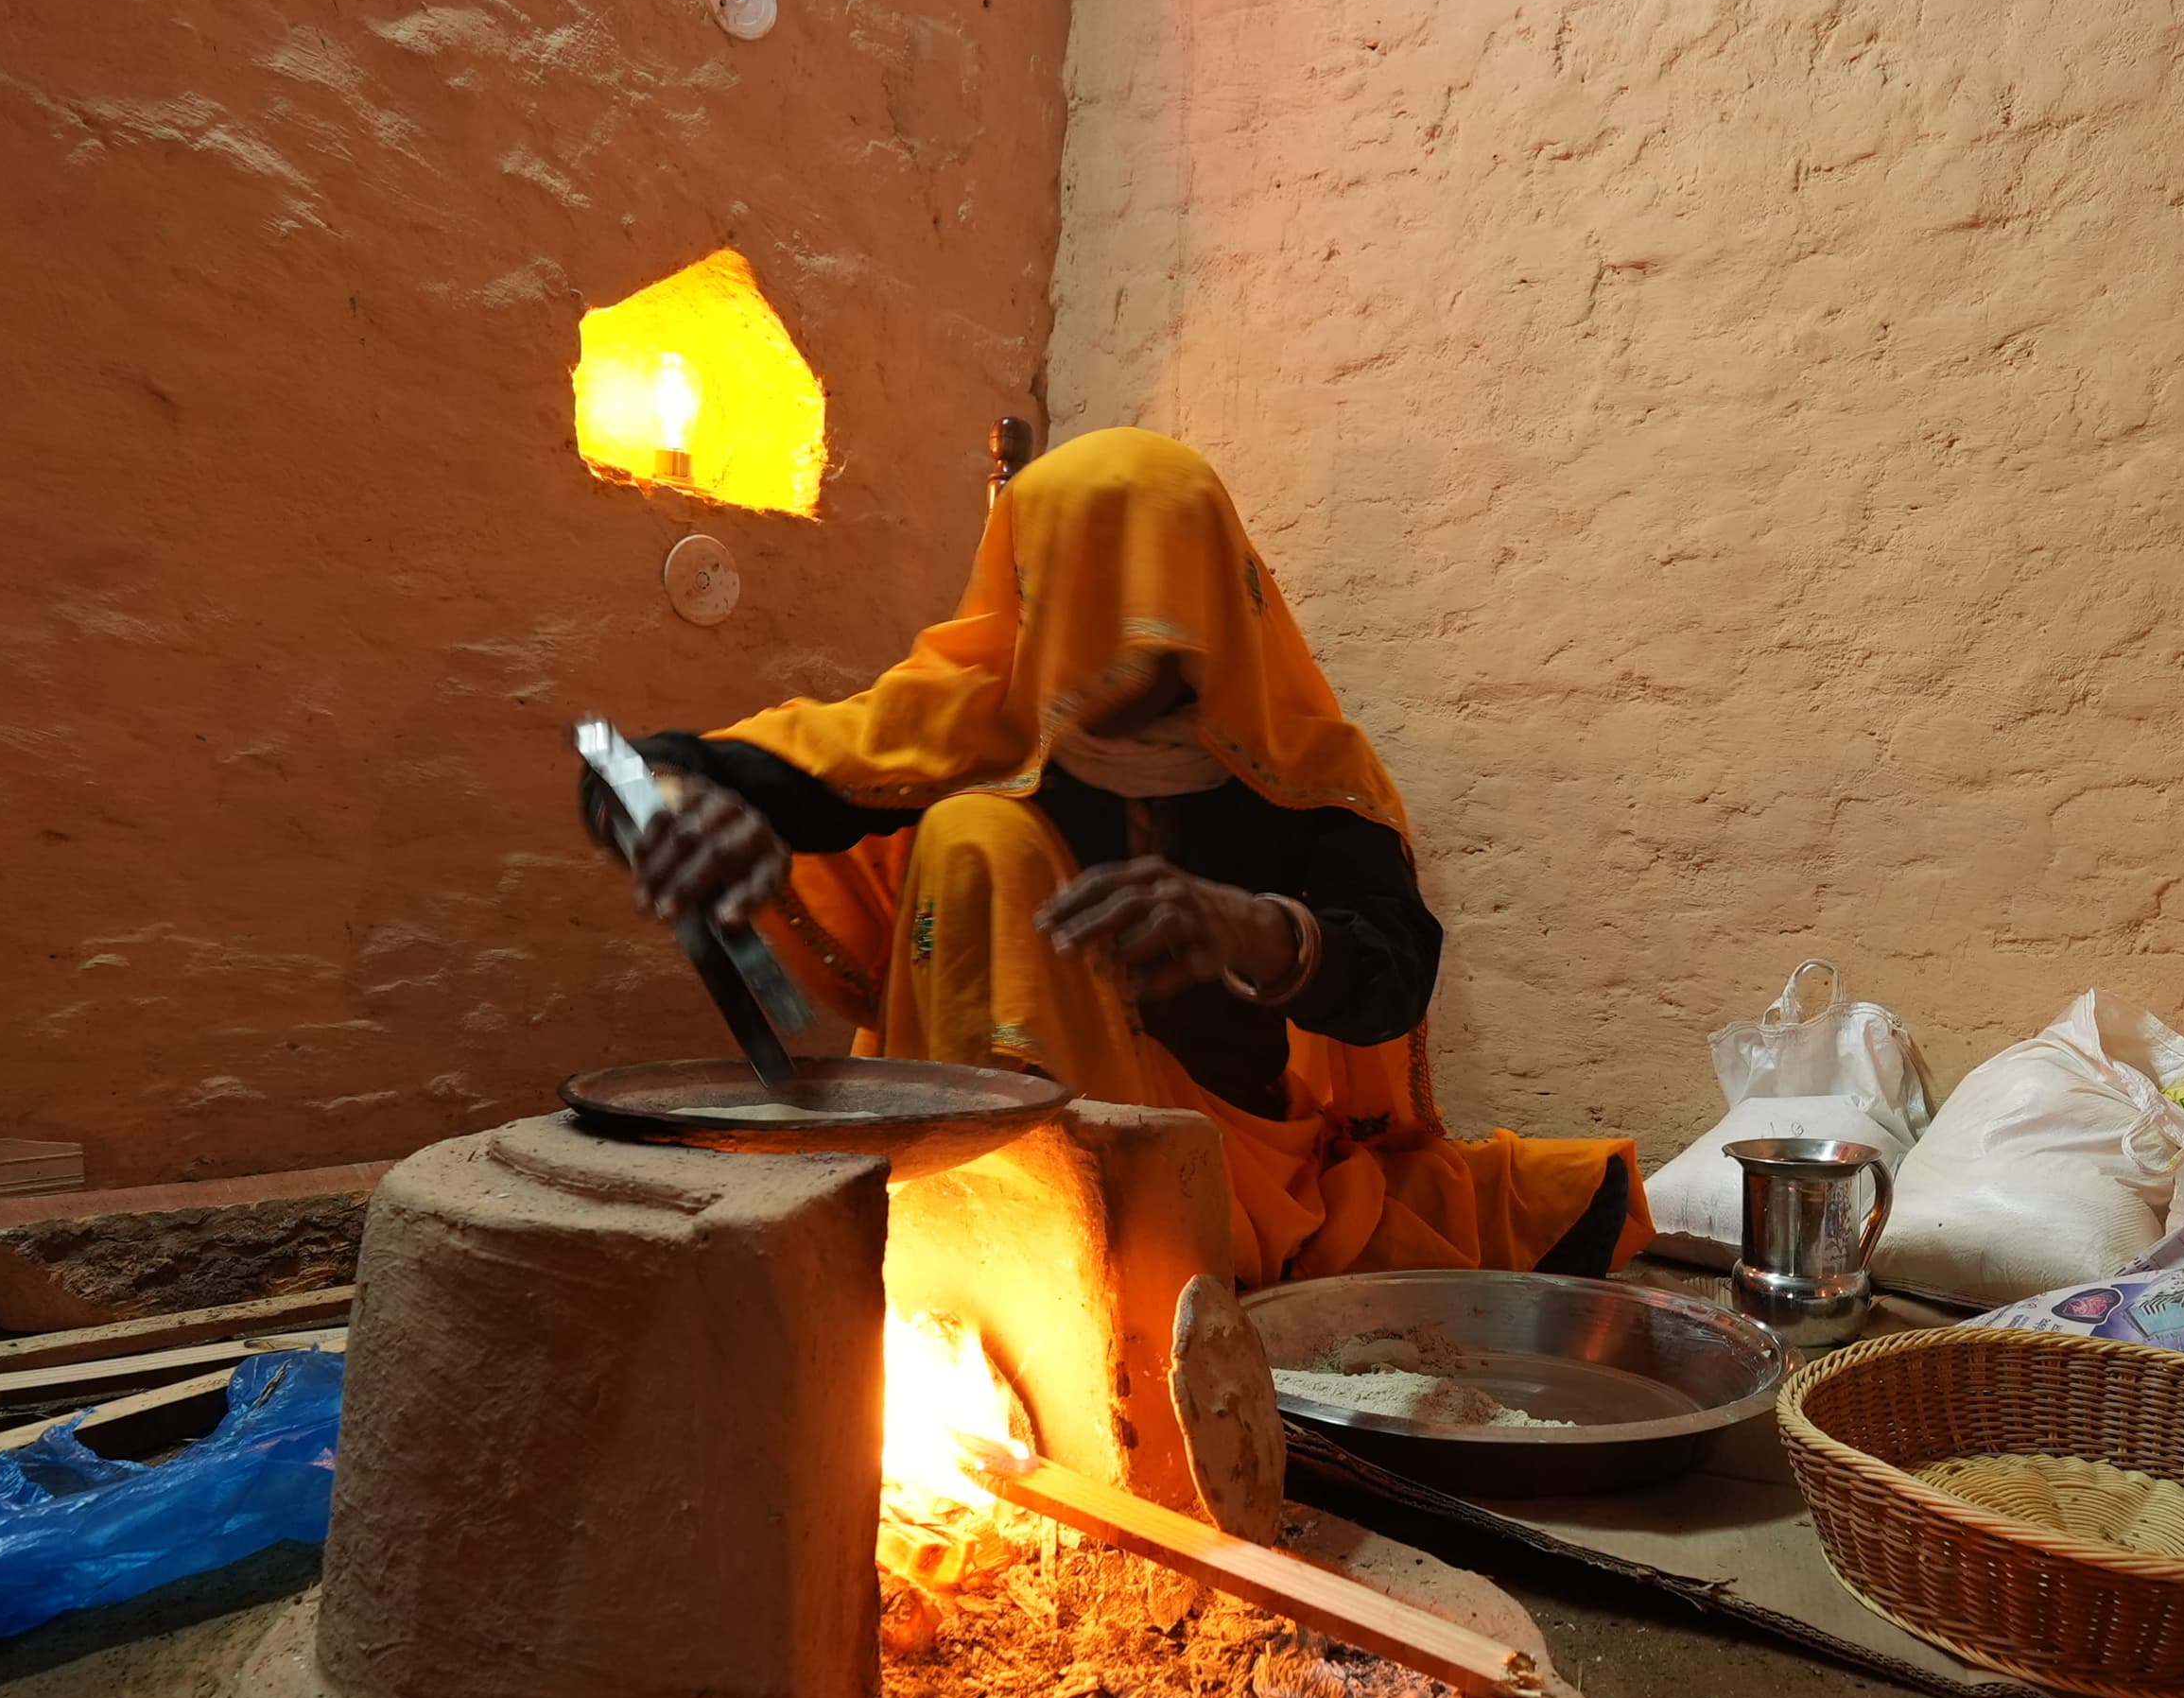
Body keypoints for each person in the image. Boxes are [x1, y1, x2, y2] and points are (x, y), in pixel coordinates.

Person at [583, 425, 1645, 1286]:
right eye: (1106, 643)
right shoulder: (981, 723)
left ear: (1227, 599)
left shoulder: (1305, 765)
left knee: (1556, 1200)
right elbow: (636, 764)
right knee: (977, 829)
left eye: (1166, 648)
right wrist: (660, 803)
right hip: (952, 1188)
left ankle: (1114, 1279)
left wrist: (1260, 931)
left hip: (1220, 1186)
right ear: (1039, 604)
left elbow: (1393, 978)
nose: (1135, 683)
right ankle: (994, 1260)